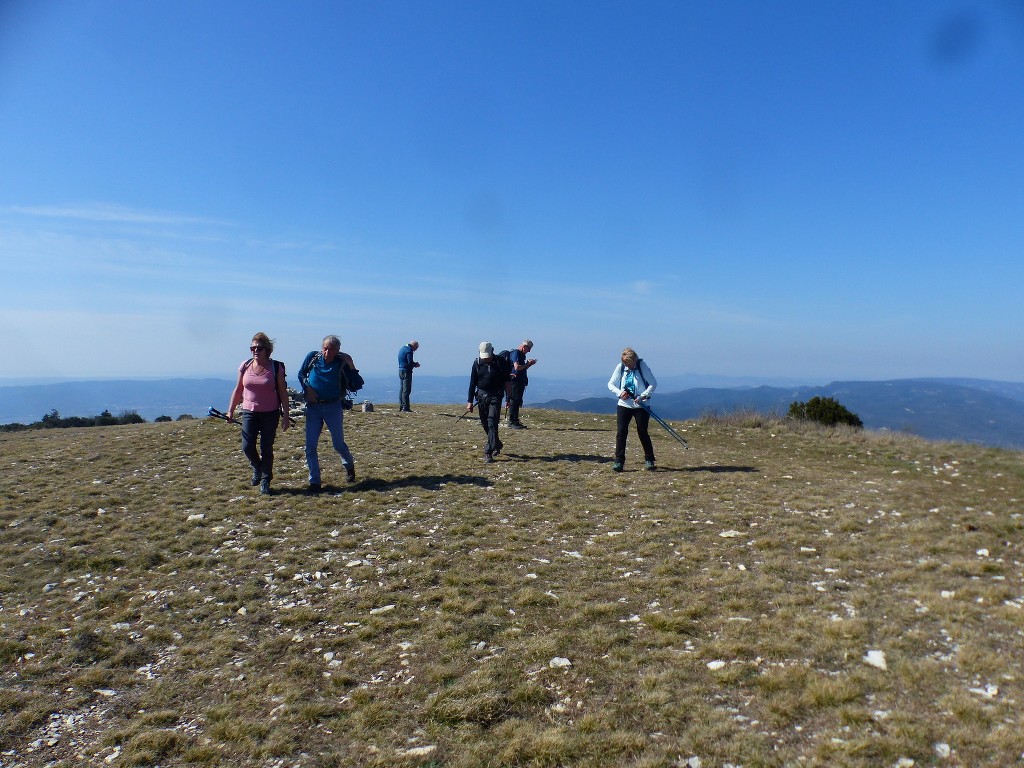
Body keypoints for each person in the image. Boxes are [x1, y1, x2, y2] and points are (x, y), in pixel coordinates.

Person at [226, 332, 290, 495]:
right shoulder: (245, 365)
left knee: (266, 447)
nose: (255, 350)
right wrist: (230, 411)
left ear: (267, 349)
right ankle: (257, 467)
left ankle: (265, 480)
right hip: (249, 412)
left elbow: (282, 392)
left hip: (270, 413)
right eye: (252, 348)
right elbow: (238, 389)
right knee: (247, 446)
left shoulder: (276, 367)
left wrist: (286, 416)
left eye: (259, 348)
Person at [298, 335, 358, 494]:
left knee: (338, 444)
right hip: (313, 407)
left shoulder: (342, 362)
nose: (327, 352)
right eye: (325, 348)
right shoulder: (312, 357)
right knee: (310, 446)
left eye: (331, 349)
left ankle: (349, 466)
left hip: (333, 406)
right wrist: (307, 388)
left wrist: (351, 363)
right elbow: (301, 374)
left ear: (338, 350)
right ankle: (315, 482)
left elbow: (357, 383)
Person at [607, 347, 658, 472]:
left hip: (641, 405)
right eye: (627, 364)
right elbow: (610, 384)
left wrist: (643, 396)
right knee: (621, 432)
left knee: (642, 431)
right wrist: (620, 393)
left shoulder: (642, 366)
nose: (629, 366)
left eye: (631, 363)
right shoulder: (620, 367)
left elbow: (653, 383)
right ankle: (618, 461)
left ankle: (649, 459)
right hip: (624, 405)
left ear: (635, 359)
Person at [467, 341, 513, 463]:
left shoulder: (501, 363)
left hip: (496, 396)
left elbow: (507, 381)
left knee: (492, 422)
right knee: (485, 424)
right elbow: (472, 383)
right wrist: (470, 401)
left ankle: (488, 451)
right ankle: (496, 443)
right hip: (481, 397)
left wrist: (509, 398)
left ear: (492, 351)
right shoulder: (477, 363)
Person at [506, 339, 537, 428]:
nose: (529, 351)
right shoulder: (516, 353)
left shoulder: (520, 355)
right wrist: (527, 364)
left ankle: (515, 420)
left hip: (519, 381)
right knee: (515, 401)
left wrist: (529, 364)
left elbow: (522, 368)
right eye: (528, 349)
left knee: (517, 400)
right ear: (524, 347)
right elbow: (517, 367)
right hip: (515, 381)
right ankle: (512, 421)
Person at [397, 340, 420, 412]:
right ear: (413, 345)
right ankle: (405, 407)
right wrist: (415, 364)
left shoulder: (402, 348)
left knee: (402, 389)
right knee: (406, 390)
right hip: (406, 371)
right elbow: (409, 362)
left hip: (401, 370)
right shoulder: (409, 351)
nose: (415, 350)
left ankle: (401, 406)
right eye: (416, 348)